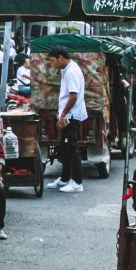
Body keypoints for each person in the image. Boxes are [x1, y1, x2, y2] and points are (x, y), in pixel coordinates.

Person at [48, 47, 88, 193]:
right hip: (67, 115)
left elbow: (73, 96)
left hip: (71, 115)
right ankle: (65, 178)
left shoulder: (72, 71)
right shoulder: (67, 70)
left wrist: (63, 114)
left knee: (72, 147)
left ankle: (77, 182)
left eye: (53, 61)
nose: (52, 64)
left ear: (61, 57)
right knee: (65, 147)